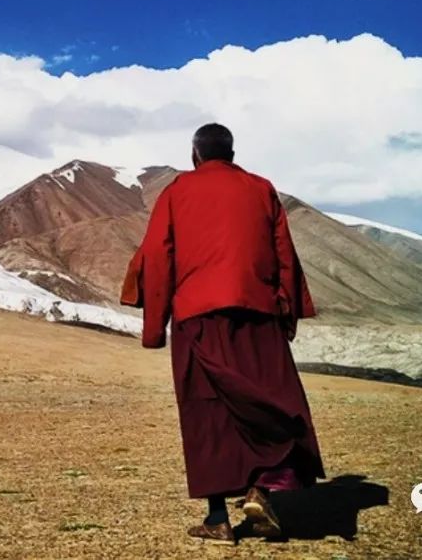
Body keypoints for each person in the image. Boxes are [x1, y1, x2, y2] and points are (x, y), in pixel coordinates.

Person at [121, 123, 324, 544]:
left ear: (195, 154)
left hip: (198, 315)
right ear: (232, 153)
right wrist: (288, 313)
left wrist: (155, 326)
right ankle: (260, 489)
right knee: (271, 399)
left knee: (207, 413)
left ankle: (218, 518)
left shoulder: (177, 192)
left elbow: (158, 255)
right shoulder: (261, 188)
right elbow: (284, 253)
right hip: (258, 312)